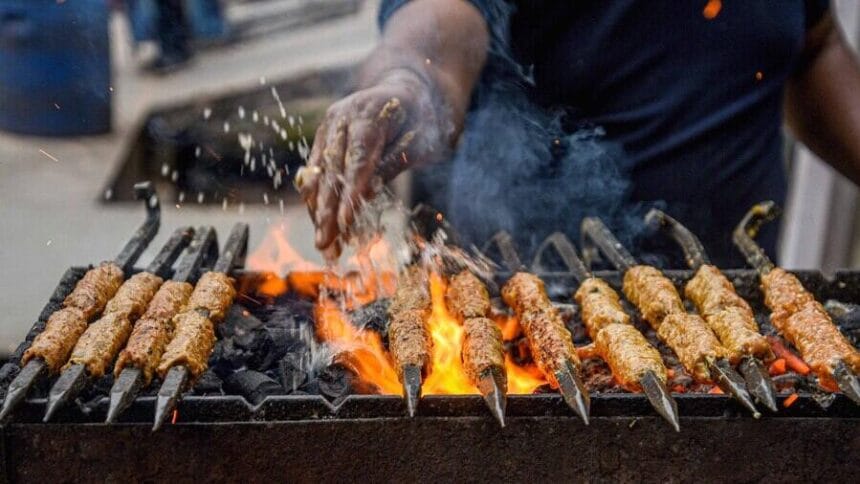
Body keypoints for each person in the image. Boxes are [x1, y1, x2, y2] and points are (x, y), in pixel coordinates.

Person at [296, 0, 860, 267]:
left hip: (743, 321)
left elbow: (813, 46)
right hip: (531, 320)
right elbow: (440, 25)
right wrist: (404, 80)